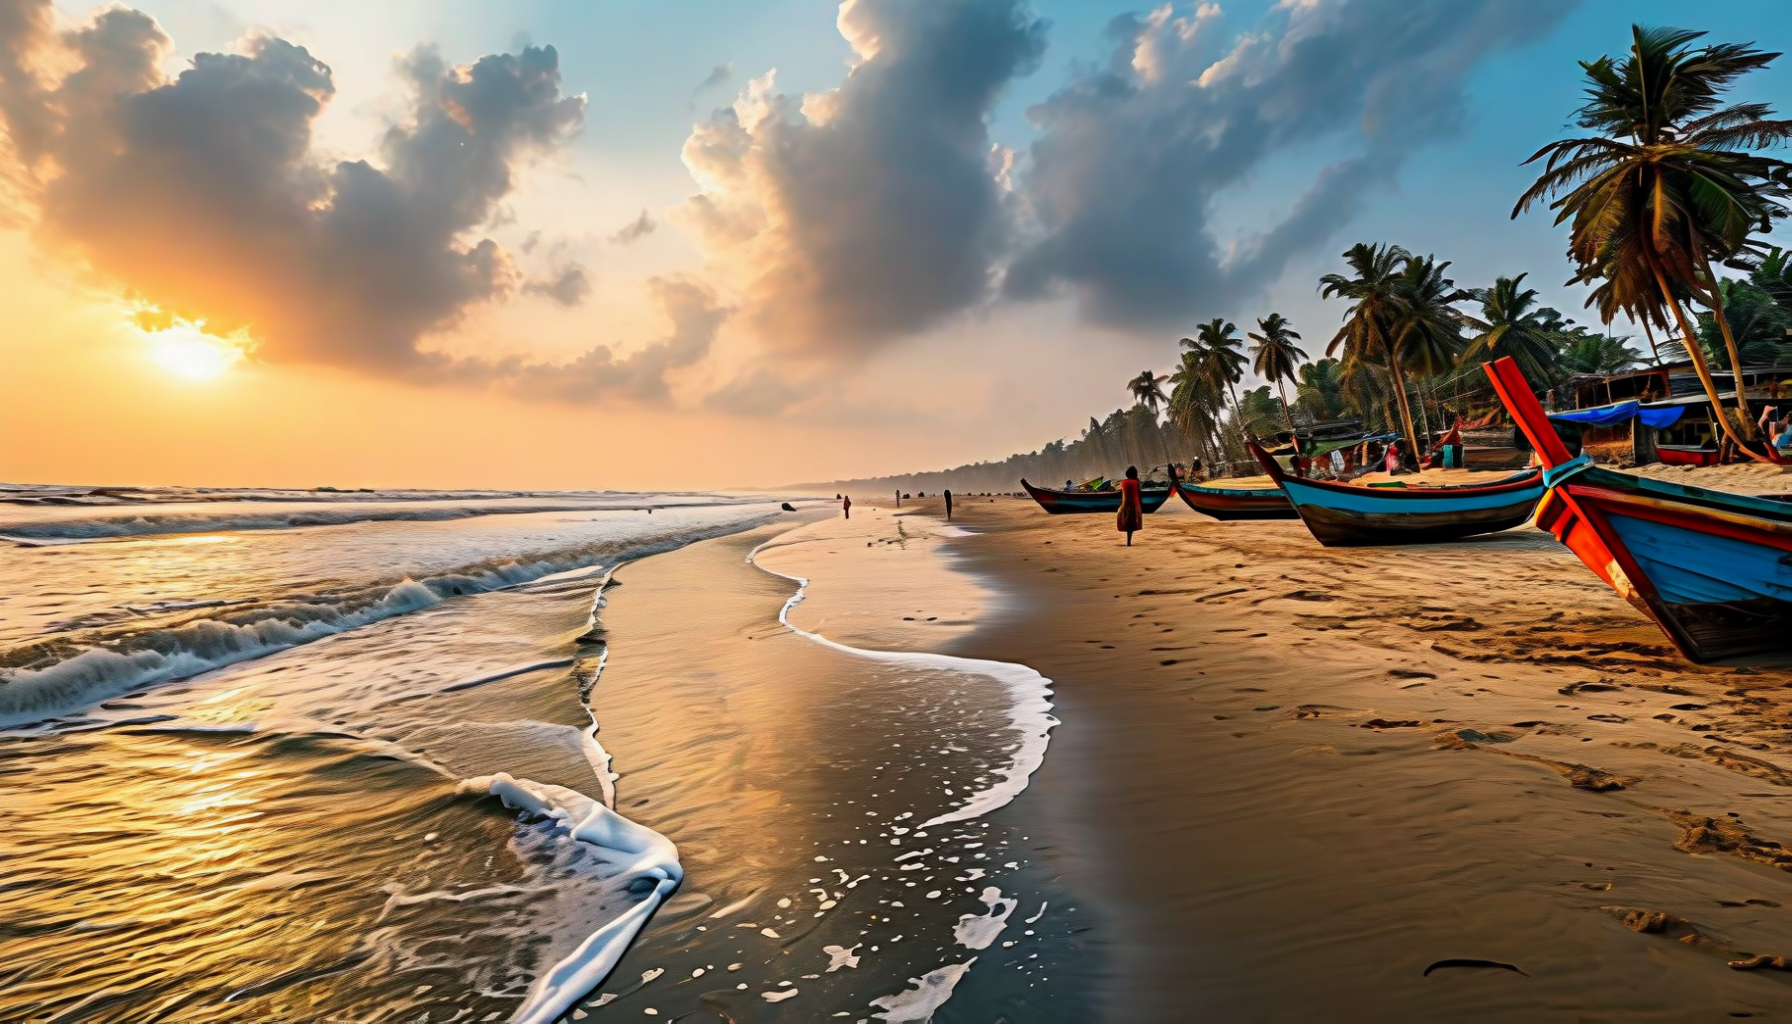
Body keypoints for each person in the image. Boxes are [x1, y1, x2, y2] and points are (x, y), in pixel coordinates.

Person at [1116, 465, 1144, 546]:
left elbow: (1122, 494)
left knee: (1127, 523)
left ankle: (1128, 542)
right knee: (1131, 524)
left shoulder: (1122, 482)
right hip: (1134, 504)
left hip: (1125, 504)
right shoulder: (1136, 482)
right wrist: (1141, 504)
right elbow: (1139, 493)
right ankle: (1129, 542)